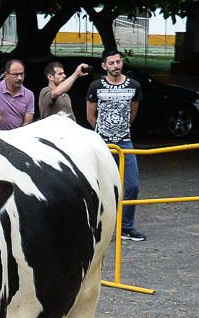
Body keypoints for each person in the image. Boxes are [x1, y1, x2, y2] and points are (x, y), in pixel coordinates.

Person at [86, 48, 145, 242]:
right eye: (111, 63)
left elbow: (133, 114)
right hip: (101, 142)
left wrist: (120, 130)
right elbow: (90, 115)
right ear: (104, 66)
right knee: (98, 185)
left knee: (132, 185)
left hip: (125, 141)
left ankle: (126, 227)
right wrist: (103, 133)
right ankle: (96, 226)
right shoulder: (96, 86)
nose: (116, 66)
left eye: (118, 62)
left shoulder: (134, 85)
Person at [0, 58, 34, 130]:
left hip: (15, 138)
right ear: (6, 75)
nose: (19, 78)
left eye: (21, 74)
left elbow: (28, 121)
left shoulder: (29, 95)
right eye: (16, 75)